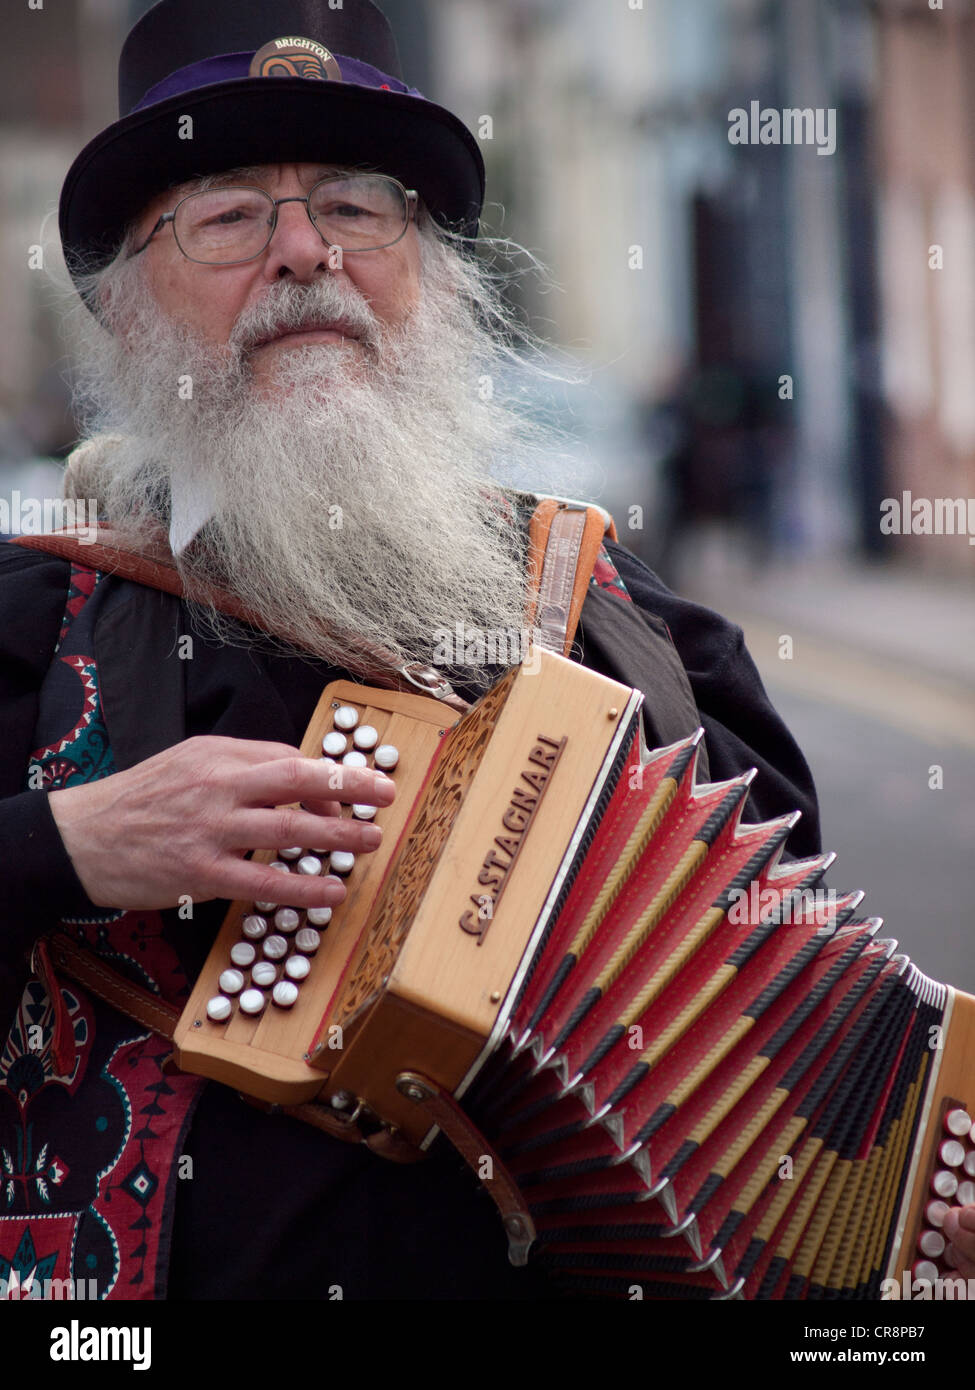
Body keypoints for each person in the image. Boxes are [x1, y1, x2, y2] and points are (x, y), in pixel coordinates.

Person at [1, 0, 972, 1302]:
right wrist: (61, 845)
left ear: (436, 276)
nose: (305, 254)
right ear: (122, 311)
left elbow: (802, 1035)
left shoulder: (621, 610)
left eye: (357, 208)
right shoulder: (32, 622)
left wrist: (908, 1223)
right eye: (228, 215)